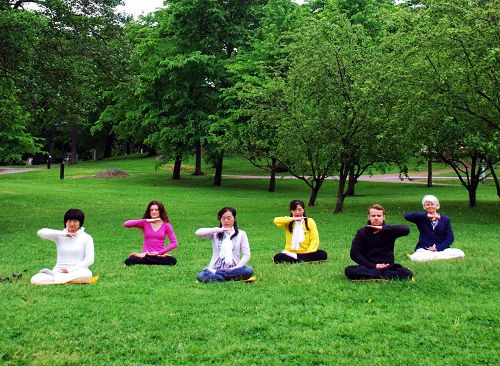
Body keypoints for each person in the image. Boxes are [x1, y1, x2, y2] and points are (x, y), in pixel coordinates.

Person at [345, 204, 413, 280]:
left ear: (383, 217)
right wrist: (374, 266)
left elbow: (406, 229)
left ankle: (374, 276)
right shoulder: (362, 232)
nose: (376, 218)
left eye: (379, 216)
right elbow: (354, 253)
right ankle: (384, 276)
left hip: (388, 267)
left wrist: (384, 228)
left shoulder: (390, 231)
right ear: (369, 217)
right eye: (373, 216)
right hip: (369, 267)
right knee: (349, 270)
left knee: (407, 273)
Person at [31, 208, 94, 285]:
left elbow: (89, 260)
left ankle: (55, 279)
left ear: (80, 222)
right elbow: (40, 232)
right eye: (69, 221)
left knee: (87, 275)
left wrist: (70, 270)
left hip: (77, 270)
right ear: (66, 222)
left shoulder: (86, 237)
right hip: (59, 271)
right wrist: (63, 234)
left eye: (75, 221)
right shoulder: (59, 236)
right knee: (35, 279)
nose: (72, 224)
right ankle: (64, 280)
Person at [196, 207, 254, 283]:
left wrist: (236, 268)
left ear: (235, 218)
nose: (226, 221)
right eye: (223, 218)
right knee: (200, 276)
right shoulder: (216, 233)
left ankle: (220, 277)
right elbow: (198, 232)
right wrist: (219, 229)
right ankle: (227, 278)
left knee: (248, 270)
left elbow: (247, 254)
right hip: (215, 269)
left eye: (229, 218)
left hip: (233, 269)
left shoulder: (241, 234)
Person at [405, 195, 465, 262]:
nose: (430, 206)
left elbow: (450, 238)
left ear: (437, 206)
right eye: (427, 205)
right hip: (425, 249)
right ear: (424, 207)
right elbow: (407, 216)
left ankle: (433, 257)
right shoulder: (421, 218)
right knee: (417, 256)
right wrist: (426, 215)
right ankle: (438, 257)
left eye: (432, 204)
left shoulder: (445, 219)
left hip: (441, 249)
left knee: (460, 253)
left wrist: (438, 248)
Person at [123, 200, 178, 266]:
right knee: (129, 261)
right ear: (149, 212)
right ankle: (149, 260)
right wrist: (147, 220)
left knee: (172, 260)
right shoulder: (145, 223)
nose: (154, 212)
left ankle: (149, 260)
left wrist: (159, 253)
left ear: (160, 211)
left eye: (156, 210)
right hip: (146, 255)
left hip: (159, 255)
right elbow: (126, 224)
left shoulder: (166, 225)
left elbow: (174, 243)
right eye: (151, 210)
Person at [273, 199, 327, 264]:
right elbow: (276, 220)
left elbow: (314, 238)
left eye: (299, 210)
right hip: (290, 253)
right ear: (291, 211)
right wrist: (293, 218)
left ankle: (298, 258)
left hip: (306, 252)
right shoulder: (288, 222)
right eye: (294, 210)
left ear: (303, 210)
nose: (297, 212)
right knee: (278, 257)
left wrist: (309, 251)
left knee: (322, 254)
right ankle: (301, 259)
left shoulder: (310, 221)